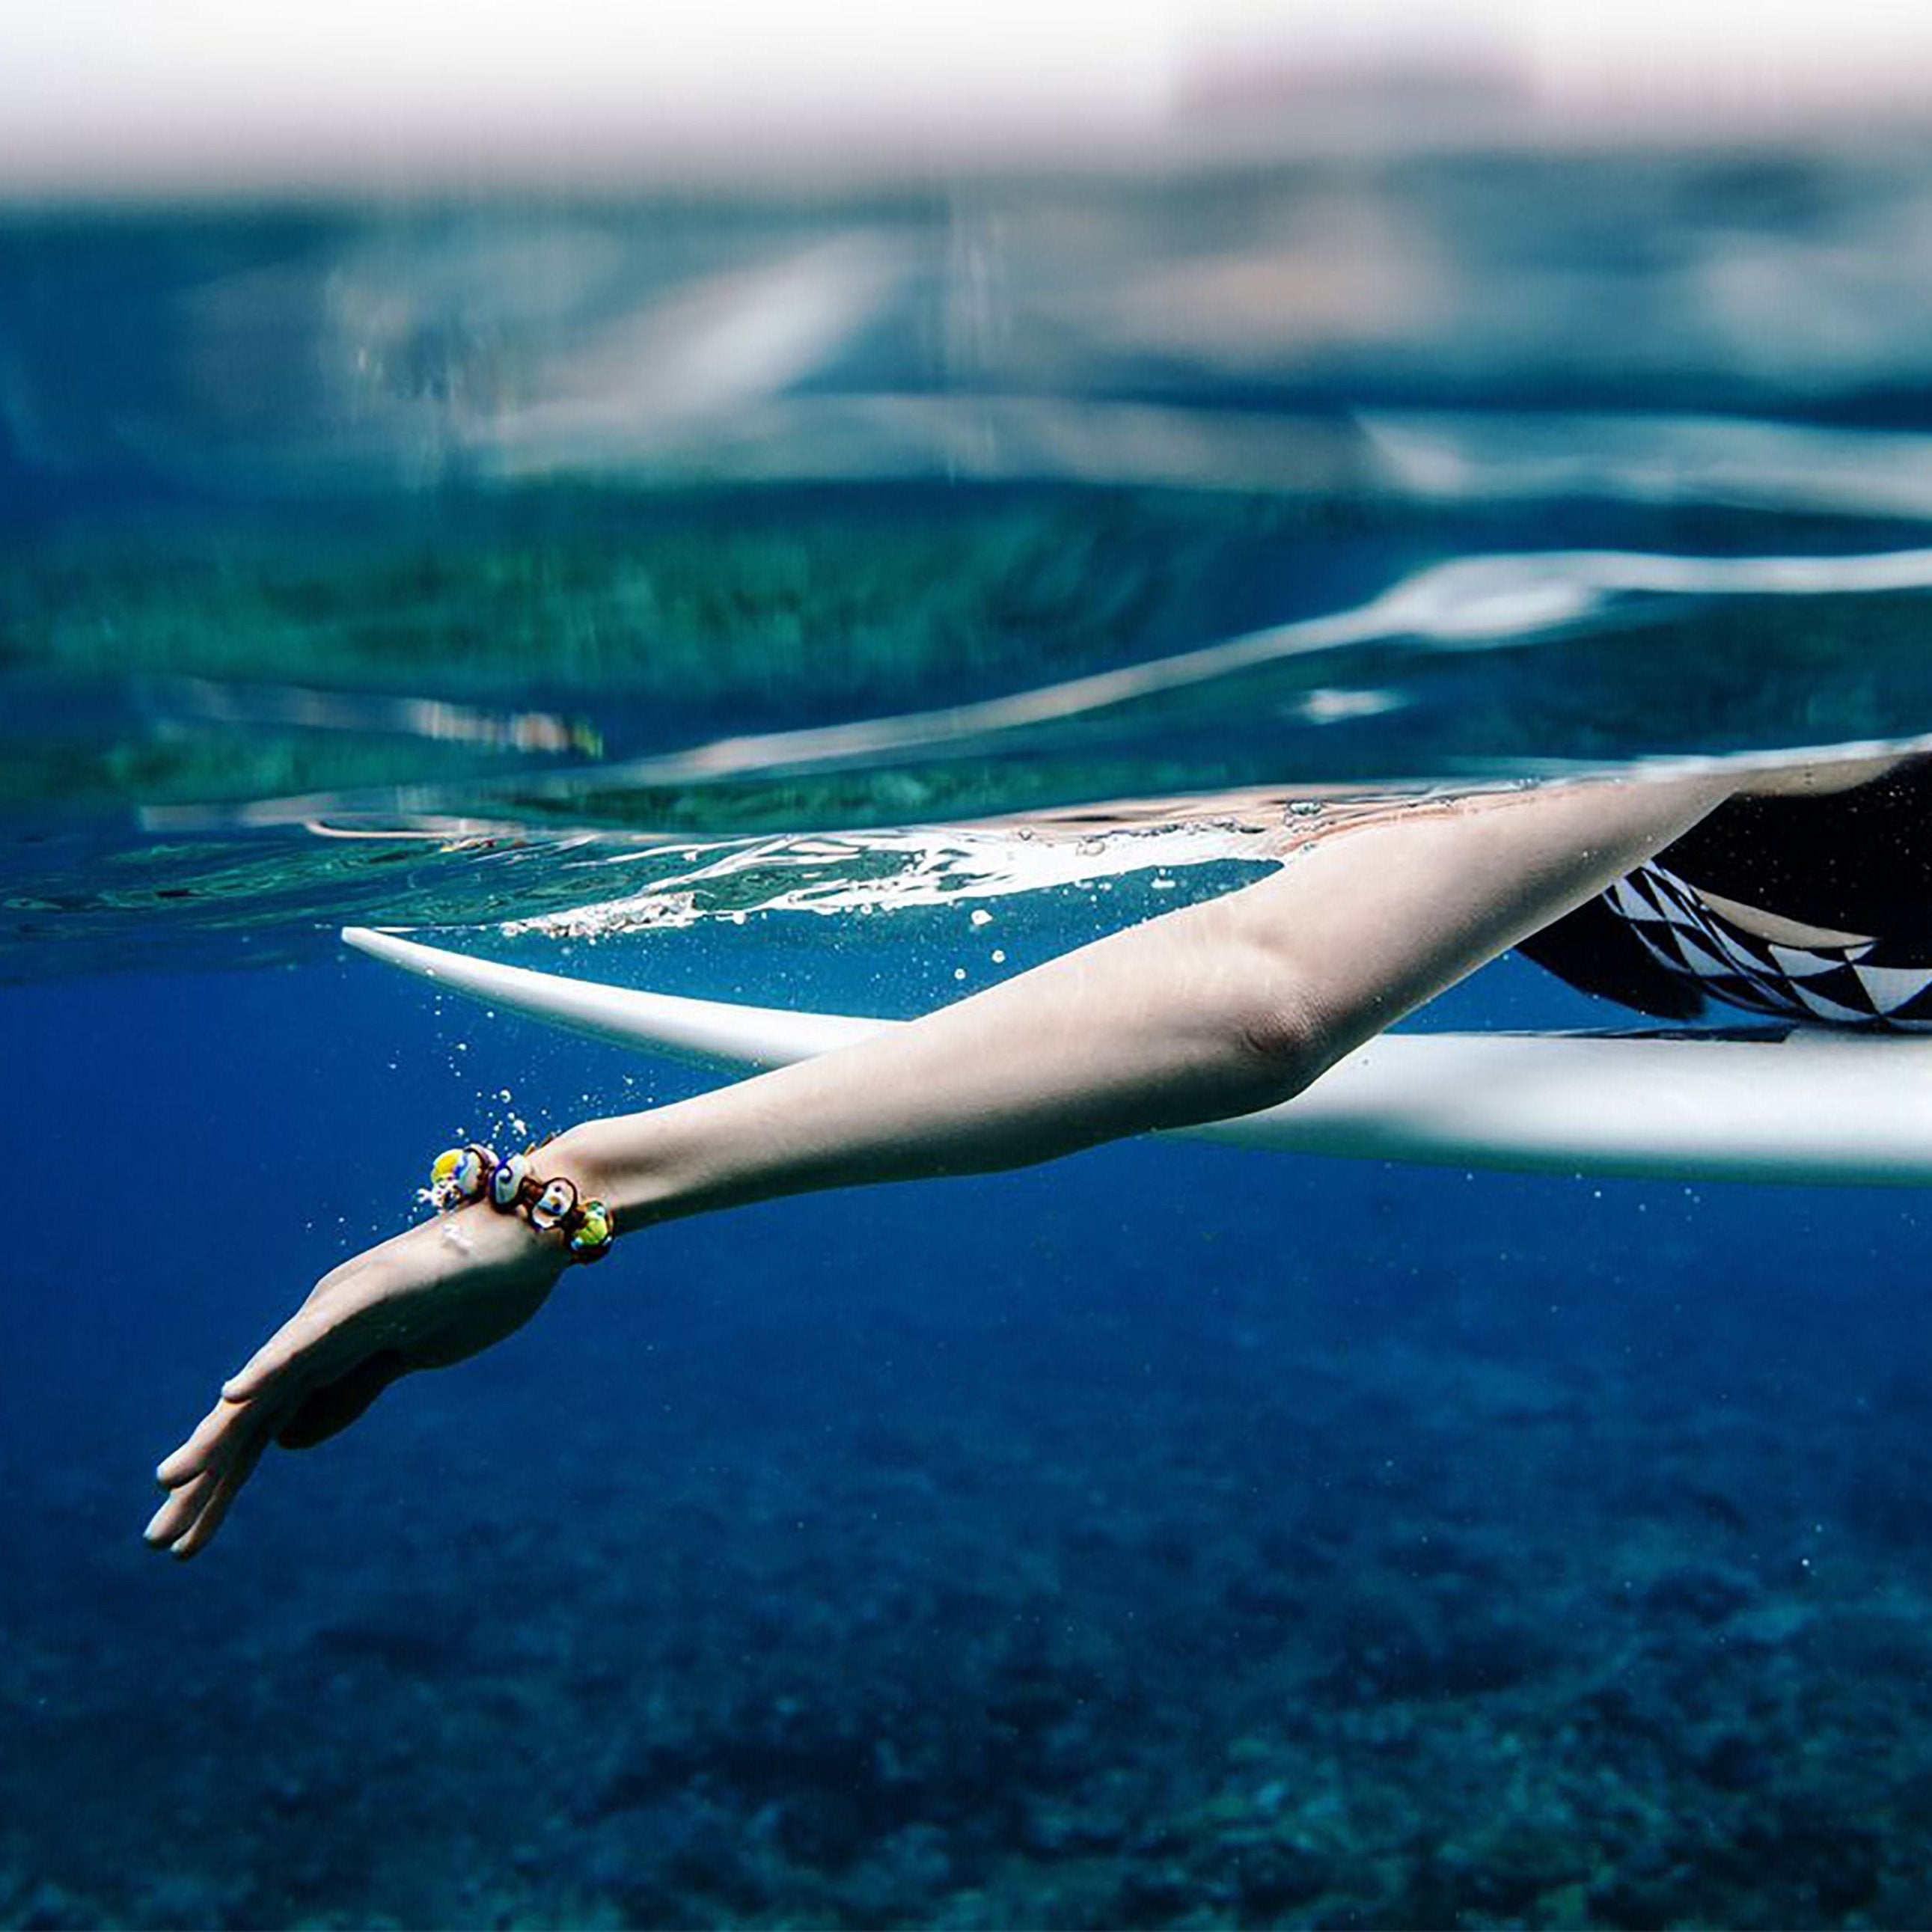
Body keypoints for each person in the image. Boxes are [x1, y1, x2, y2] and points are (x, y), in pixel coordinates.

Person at [146, 753, 1917, 1558]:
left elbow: (1263, 1005)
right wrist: (553, 1199)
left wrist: (580, 1191)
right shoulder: (1702, 709)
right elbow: (1261, 979)